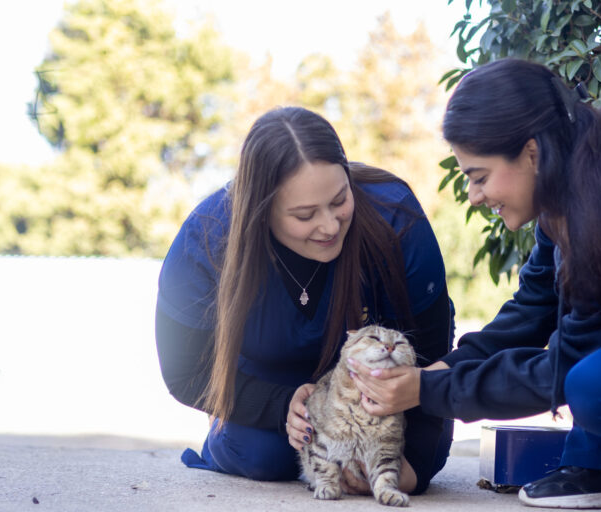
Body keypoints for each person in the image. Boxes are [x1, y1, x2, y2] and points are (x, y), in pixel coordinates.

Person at [350, 58, 601, 509]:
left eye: (479, 177)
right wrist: (442, 369)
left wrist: (427, 391)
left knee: (595, 390)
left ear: (531, 153)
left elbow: (566, 365)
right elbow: (531, 310)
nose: (474, 196)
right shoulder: (573, 184)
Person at [155, 106, 454, 495]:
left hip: (380, 393)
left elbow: (431, 354)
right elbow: (185, 372)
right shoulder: (206, 239)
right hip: (266, 384)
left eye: (339, 200)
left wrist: (411, 463)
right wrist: (280, 405)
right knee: (264, 456)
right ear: (261, 211)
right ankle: (229, 430)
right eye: (304, 215)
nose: (329, 226)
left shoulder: (396, 217)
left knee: (418, 456)